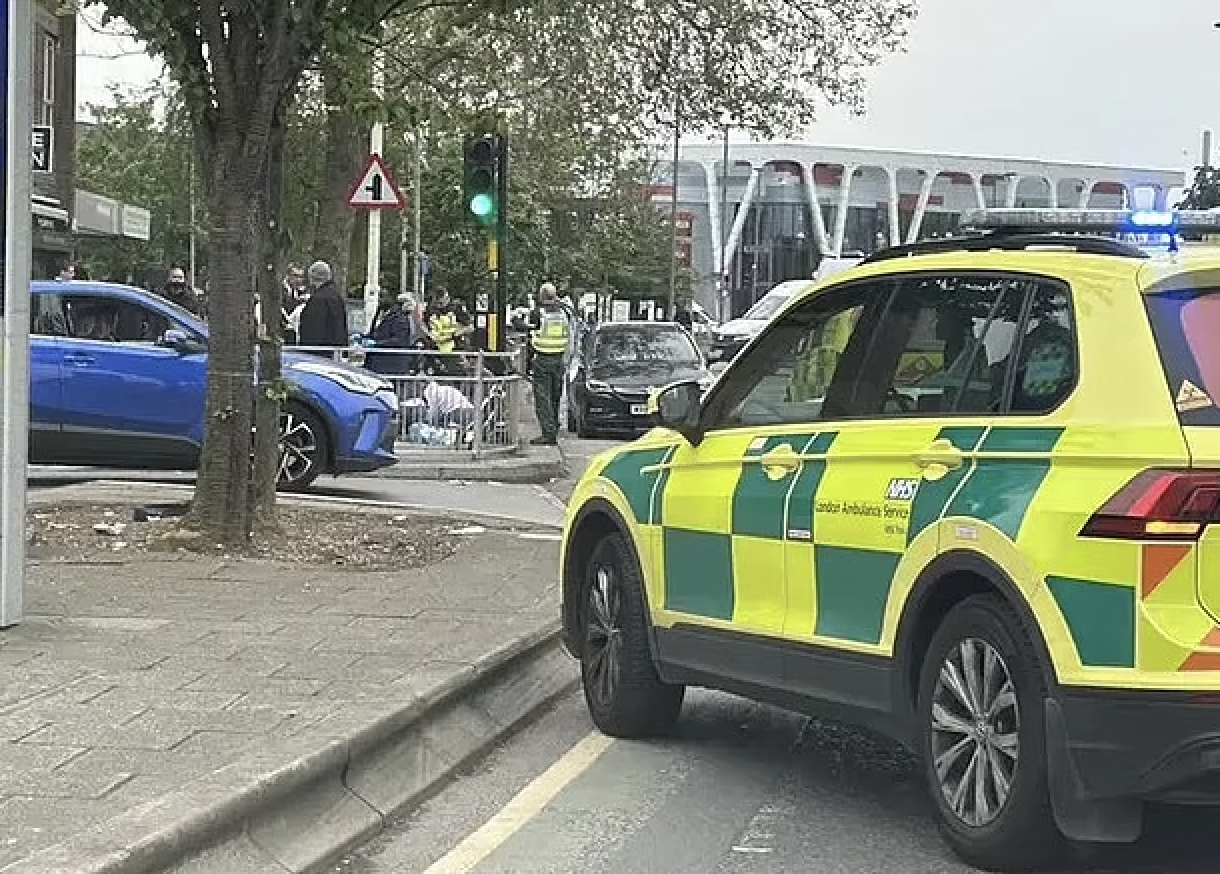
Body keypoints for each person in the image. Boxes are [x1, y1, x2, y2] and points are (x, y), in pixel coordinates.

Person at [526, 282, 571, 445]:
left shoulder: (538, 313)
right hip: (559, 359)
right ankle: (554, 428)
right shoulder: (564, 313)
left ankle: (548, 434)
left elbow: (531, 330)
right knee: (555, 396)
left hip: (543, 360)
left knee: (543, 397)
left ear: (542, 296)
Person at [297, 260, 349, 354]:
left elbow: (312, 331)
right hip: (335, 352)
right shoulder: (336, 296)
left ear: (312, 278)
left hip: (319, 354)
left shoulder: (317, 300)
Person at [365, 287, 413, 374]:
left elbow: (399, 340)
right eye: (379, 296)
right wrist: (363, 337)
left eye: (382, 297)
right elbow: (376, 333)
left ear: (391, 298)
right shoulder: (379, 313)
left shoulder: (399, 317)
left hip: (391, 364)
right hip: (376, 362)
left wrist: (376, 344)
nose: (379, 300)